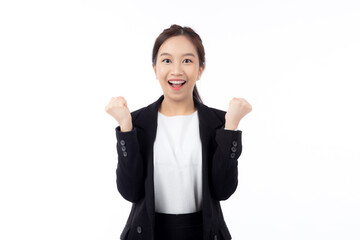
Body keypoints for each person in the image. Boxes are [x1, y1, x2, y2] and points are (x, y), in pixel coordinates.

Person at [105, 24, 252, 240]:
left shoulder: (218, 123)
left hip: (202, 232)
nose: (176, 71)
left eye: (187, 60)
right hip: (149, 233)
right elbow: (130, 192)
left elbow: (223, 190)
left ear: (200, 69)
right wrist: (126, 128)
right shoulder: (136, 122)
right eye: (166, 60)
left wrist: (230, 127)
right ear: (155, 68)